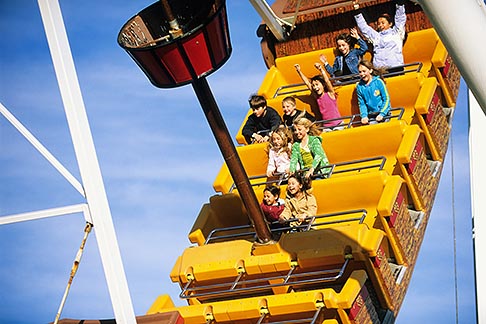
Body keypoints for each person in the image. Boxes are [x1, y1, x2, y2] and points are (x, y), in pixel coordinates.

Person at [353, 0, 407, 71]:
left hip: (395, 68)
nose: (380, 25)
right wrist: (356, 9)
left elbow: (400, 18)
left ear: (390, 24)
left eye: (383, 23)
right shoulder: (376, 36)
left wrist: (400, 4)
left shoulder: (397, 33)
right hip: (380, 70)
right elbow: (364, 28)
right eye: (379, 23)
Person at [295, 57, 344, 131]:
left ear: (323, 85)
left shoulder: (330, 94)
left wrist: (321, 70)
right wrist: (299, 71)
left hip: (338, 124)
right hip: (326, 126)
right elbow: (307, 83)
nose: (315, 87)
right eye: (314, 85)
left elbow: (327, 81)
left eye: (317, 84)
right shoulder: (317, 97)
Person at [356, 59, 391, 125]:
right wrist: (364, 116)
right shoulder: (359, 87)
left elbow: (386, 99)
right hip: (372, 115)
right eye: (360, 72)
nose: (362, 74)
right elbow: (362, 104)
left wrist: (382, 113)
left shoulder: (378, 82)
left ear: (370, 70)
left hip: (384, 113)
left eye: (364, 71)